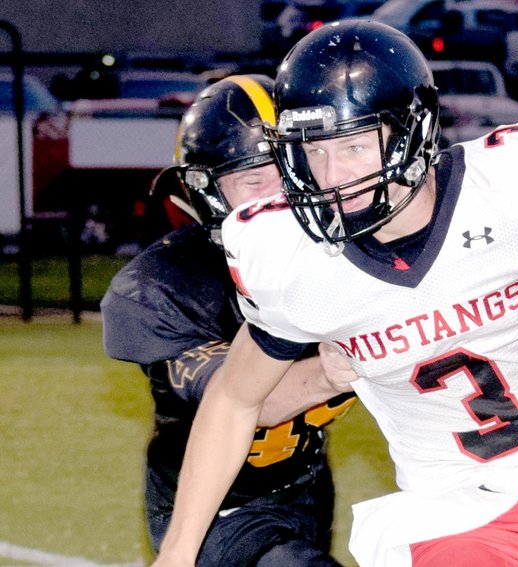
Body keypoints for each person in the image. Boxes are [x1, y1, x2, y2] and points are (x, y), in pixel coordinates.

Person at [154, 22, 518, 567]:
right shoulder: (293, 255)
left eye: (354, 145)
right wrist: (179, 551)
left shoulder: (513, 191)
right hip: (446, 515)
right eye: (313, 148)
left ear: (414, 131)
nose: (329, 173)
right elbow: (234, 400)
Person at [100, 74, 357, 567]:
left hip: (306, 480)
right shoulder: (164, 286)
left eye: (290, 168)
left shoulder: (354, 250)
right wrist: (342, 366)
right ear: (208, 192)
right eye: (254, 180)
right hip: (216, 506)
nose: (283, 195)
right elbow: (247, 398)